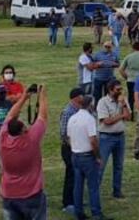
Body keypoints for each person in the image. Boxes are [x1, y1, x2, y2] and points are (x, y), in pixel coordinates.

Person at [0, 84, 50, 219]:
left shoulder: (3, 137)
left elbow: (10, 115)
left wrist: (24, 98)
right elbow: (43, 116)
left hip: (9, 194)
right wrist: (42, 96)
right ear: (23, 131)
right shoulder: (31, 139)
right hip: (31, 194)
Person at [68, 95, 105, 220]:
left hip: (75, 155)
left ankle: (79, 212)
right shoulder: (89, 119)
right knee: (93, 186)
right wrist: (98, 156)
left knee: (78, 186)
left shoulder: (72, 118)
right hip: (87, 156)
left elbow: (68, 137)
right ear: (90, 105)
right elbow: (93, 140)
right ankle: (96, 213)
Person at [97, 79, 131, 199]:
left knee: (118, 165)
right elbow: (107, 121)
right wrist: (121, 115)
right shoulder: (102, 102)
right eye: (117, 89)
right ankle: (95, 192)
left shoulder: (123, 100)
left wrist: (125, 105)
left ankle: (117, 191)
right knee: (101, 166)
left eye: (120, 89)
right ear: (110, 90)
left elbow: (129, 117)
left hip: (120, 136)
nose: (120, 91)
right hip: (106, 137)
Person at [59, 87, 85, 215]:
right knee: (71, 174)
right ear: (76, 98)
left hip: (77, 147)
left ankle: (76, 199)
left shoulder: (80, 110)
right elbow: (64, 133)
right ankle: (67, 202)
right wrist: (74, 146)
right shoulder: (68, 112)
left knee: (77, 174)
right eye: (81, 96)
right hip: (69, 148)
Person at [120, 41, 139, 113]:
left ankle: (131, 113)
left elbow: (121, 69)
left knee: (131, 97)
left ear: (133, 48)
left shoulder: (129, 56)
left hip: (131, 80)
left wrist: (126, 77)